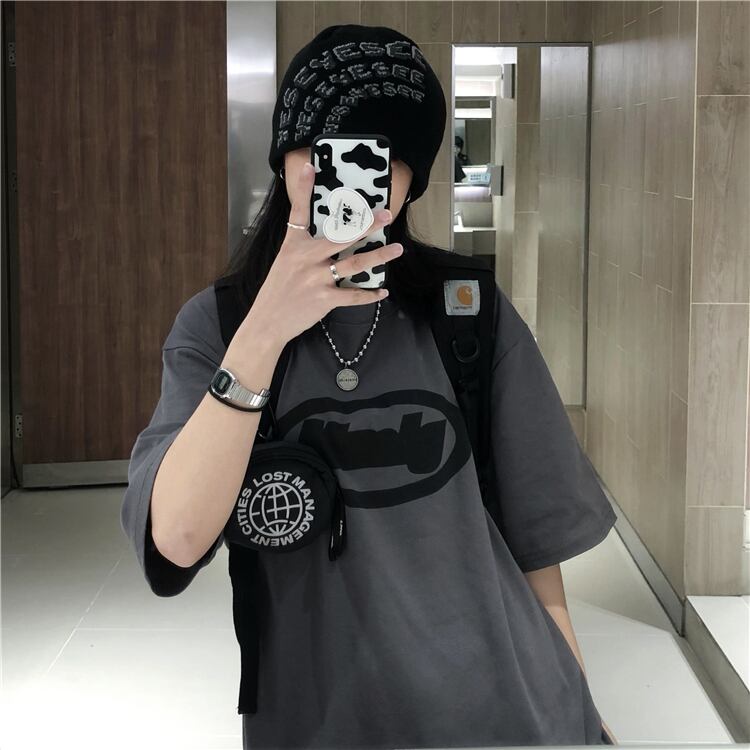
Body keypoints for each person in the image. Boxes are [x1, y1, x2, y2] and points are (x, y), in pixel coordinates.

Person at [121, 24, 618, 750]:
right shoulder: (218, 325)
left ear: (410, 180)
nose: (350, 179)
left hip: (501, 712)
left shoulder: (466, 312)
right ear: (286, 157)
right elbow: (177, 539)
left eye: (381, 159)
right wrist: (263, 334)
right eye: (323, 152)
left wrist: (578, 706)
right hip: (316, 721)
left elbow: (535, 552)